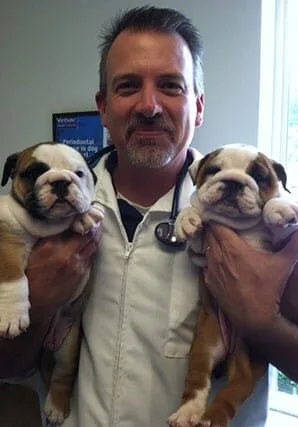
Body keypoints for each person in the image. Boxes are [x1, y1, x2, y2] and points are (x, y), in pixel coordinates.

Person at [1, 5, 298, 427]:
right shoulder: (44, 216)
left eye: (171, 86)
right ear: (103, 108)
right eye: (127, 87)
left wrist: (264, 322)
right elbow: (6, 365)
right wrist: (41, 300)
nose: (149, 105)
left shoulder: (264, 221)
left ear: (198, 106)